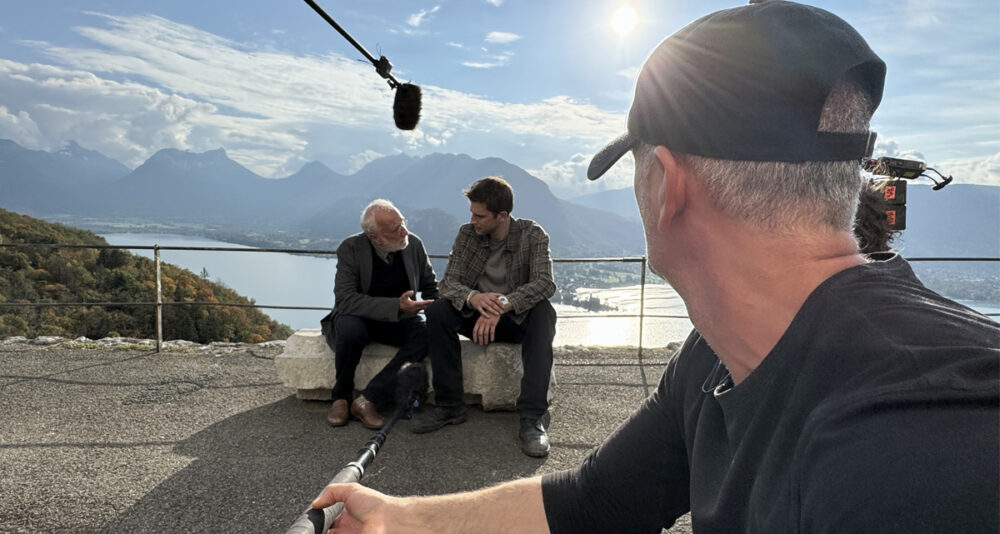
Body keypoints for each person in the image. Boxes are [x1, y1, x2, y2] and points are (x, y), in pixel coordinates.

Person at [311, 2, 999, 532]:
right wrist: (404, 519)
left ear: (667, 185)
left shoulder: (923, 450)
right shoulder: (717, 356)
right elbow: (595, 504)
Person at [411, 176, 557, 458]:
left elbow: (545, 284)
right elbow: (448, 283)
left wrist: (504, 303)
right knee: (438, 309)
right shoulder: (468, 235)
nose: (473, 220)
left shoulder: (533, 234)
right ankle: (450, 406)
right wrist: (475, 299)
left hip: (516, 318)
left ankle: (531, 418)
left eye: (480, 215)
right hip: (475, 315)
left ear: (502, 216)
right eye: (472, 213)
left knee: (543, 313)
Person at [321, 199, 438, 430]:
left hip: (398, 320)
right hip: (357, 317)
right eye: (396, 229)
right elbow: (345, 299)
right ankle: (341, 397)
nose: (404, 230)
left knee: (426, 334)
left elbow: (431, 286)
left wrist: (437, 308)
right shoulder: (351, 248)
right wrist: (397, 305)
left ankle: (368, 399)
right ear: (375, 237)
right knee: (350, 330)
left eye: (403, 223)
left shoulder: (413, 244)